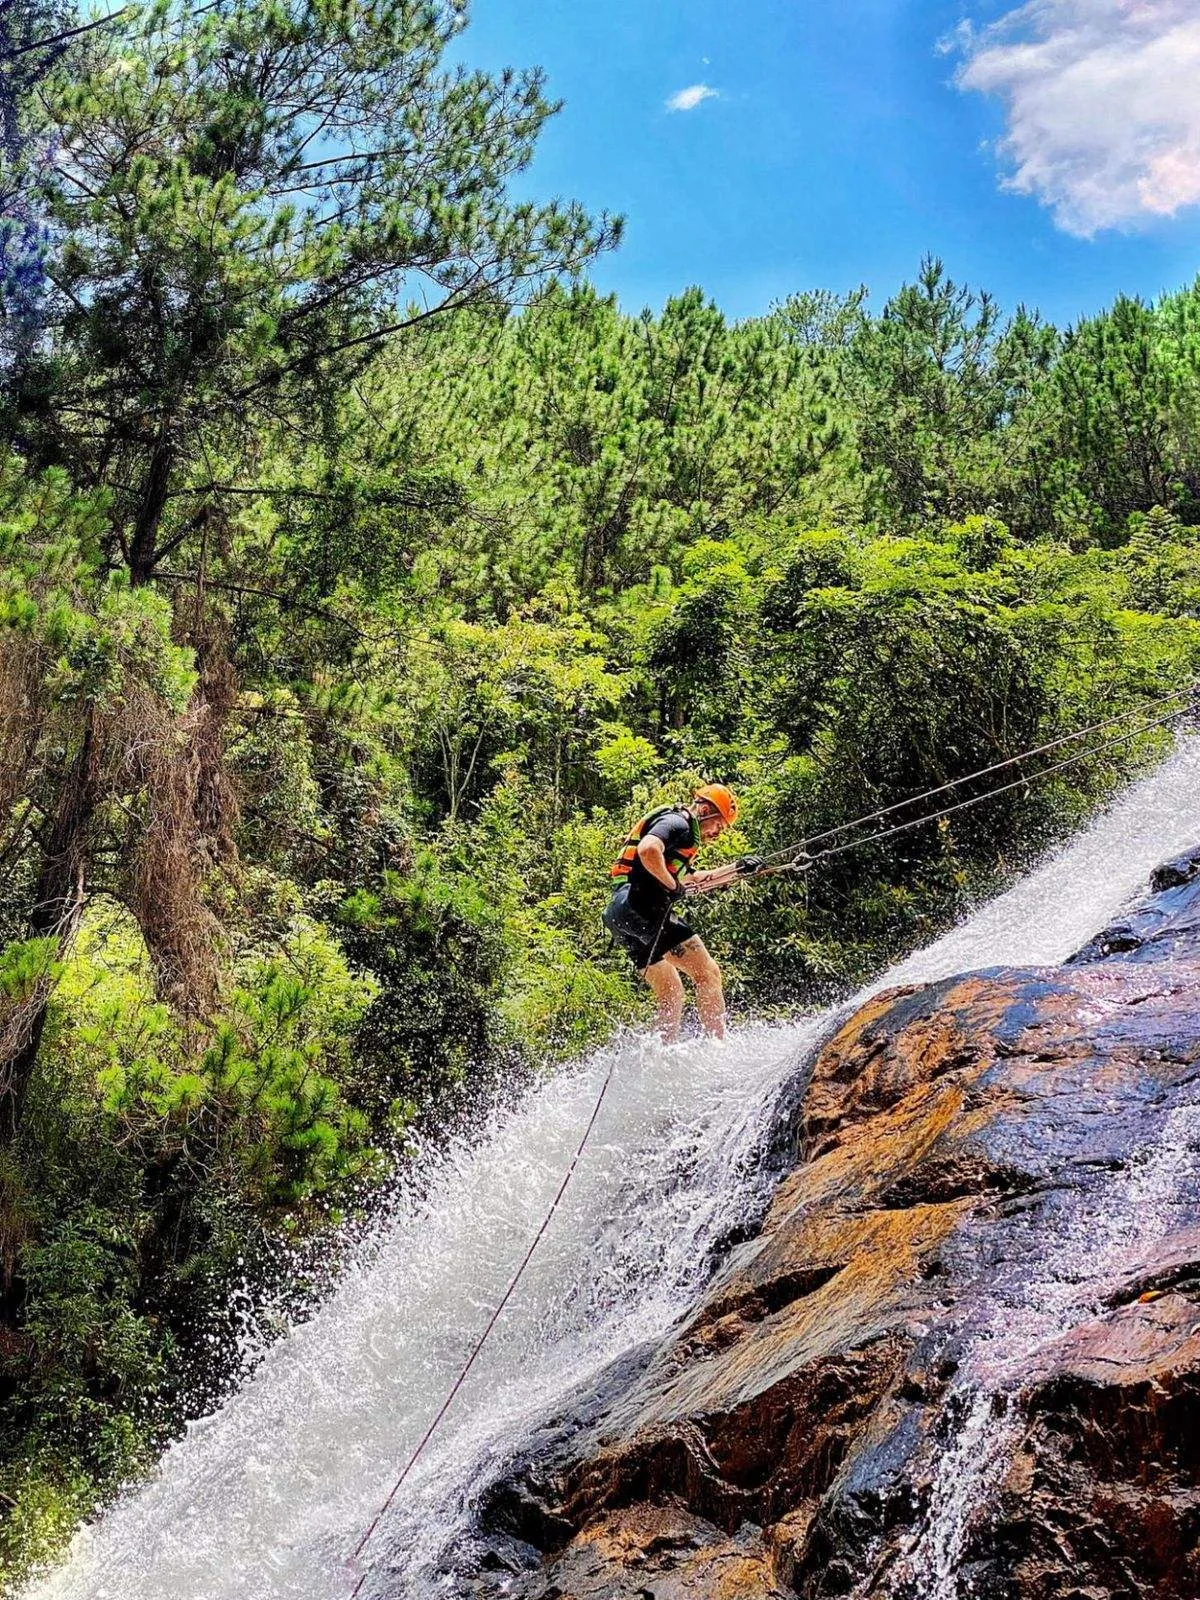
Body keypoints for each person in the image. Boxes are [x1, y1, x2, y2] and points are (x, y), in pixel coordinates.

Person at [602, 784, 763, 1042]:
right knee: (707, 973)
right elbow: (648, 849)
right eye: (718, 826)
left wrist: (737, 869)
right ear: (705, 809)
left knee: (671, 991)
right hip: (644, 906)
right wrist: (671, 885)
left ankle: (662, 1055)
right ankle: (718, 1049)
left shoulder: (678, 836)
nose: (717, 834)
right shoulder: (680, 824)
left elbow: (693, 881)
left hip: (618, 914)